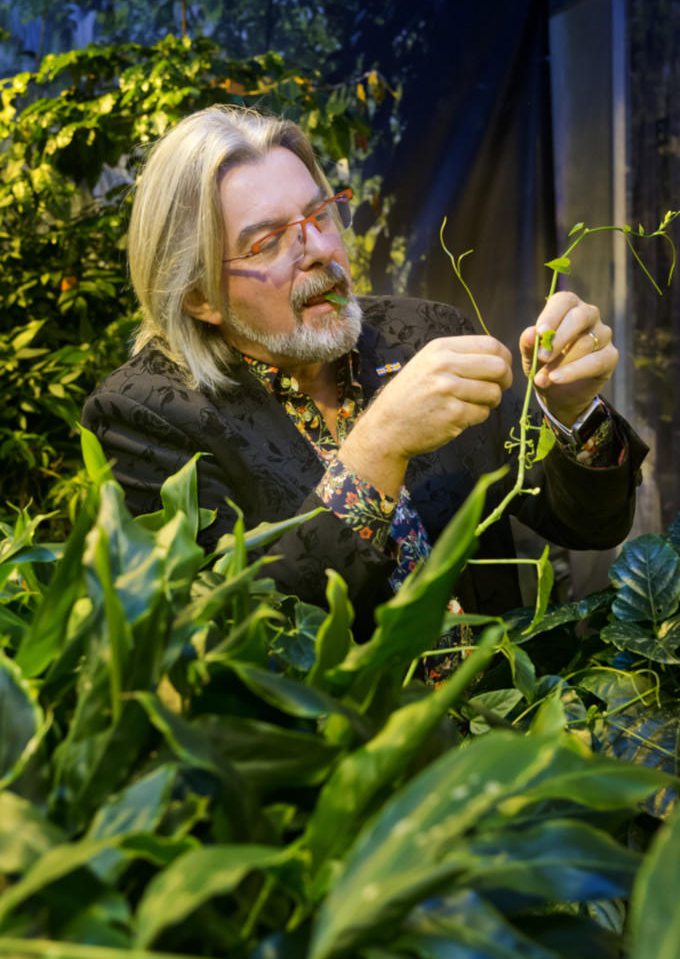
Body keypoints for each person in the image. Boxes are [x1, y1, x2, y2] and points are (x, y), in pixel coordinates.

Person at [82, 105, 647, 639]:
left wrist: (573, 414)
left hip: (506, 727)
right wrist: (380, 446)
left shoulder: (425, 331)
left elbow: (589, 527)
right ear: (201, 295)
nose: (320, 250)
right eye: (268, 241)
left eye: (320, 215)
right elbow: (229, 636)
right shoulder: (144, 414)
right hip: (339, 739)